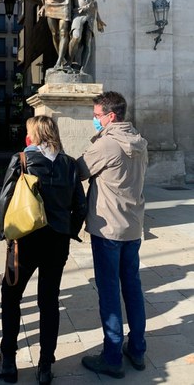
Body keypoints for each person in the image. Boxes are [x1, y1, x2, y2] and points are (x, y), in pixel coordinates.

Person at [0, 115, 87, 384]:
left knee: (11, 295)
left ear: (33, 135)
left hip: (25, 239)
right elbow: (81, 206)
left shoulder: (22, 160)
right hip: (58, 240)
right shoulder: (70, 164)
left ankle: (8, 361)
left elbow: (5, 199)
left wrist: (7, 233)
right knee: (49, 301)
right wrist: (69, 230)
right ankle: (45, 366)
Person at [77, 91, 148, 379]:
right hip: (132, 227)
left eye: (97, 116)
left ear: (111, 116)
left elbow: (79, 171)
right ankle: (138, 349)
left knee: (109, 292)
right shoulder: (139, 142)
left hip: (108, 230)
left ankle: (112, 356)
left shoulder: (107, 144)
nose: (94, 120)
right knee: (132, 288)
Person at [68, 0, 106, 73]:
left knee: (87, 42)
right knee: (76, 36)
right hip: (78, 12)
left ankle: (83, 68)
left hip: (90, 13)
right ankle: (69, 61)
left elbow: (94, 1)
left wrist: (99, 19)